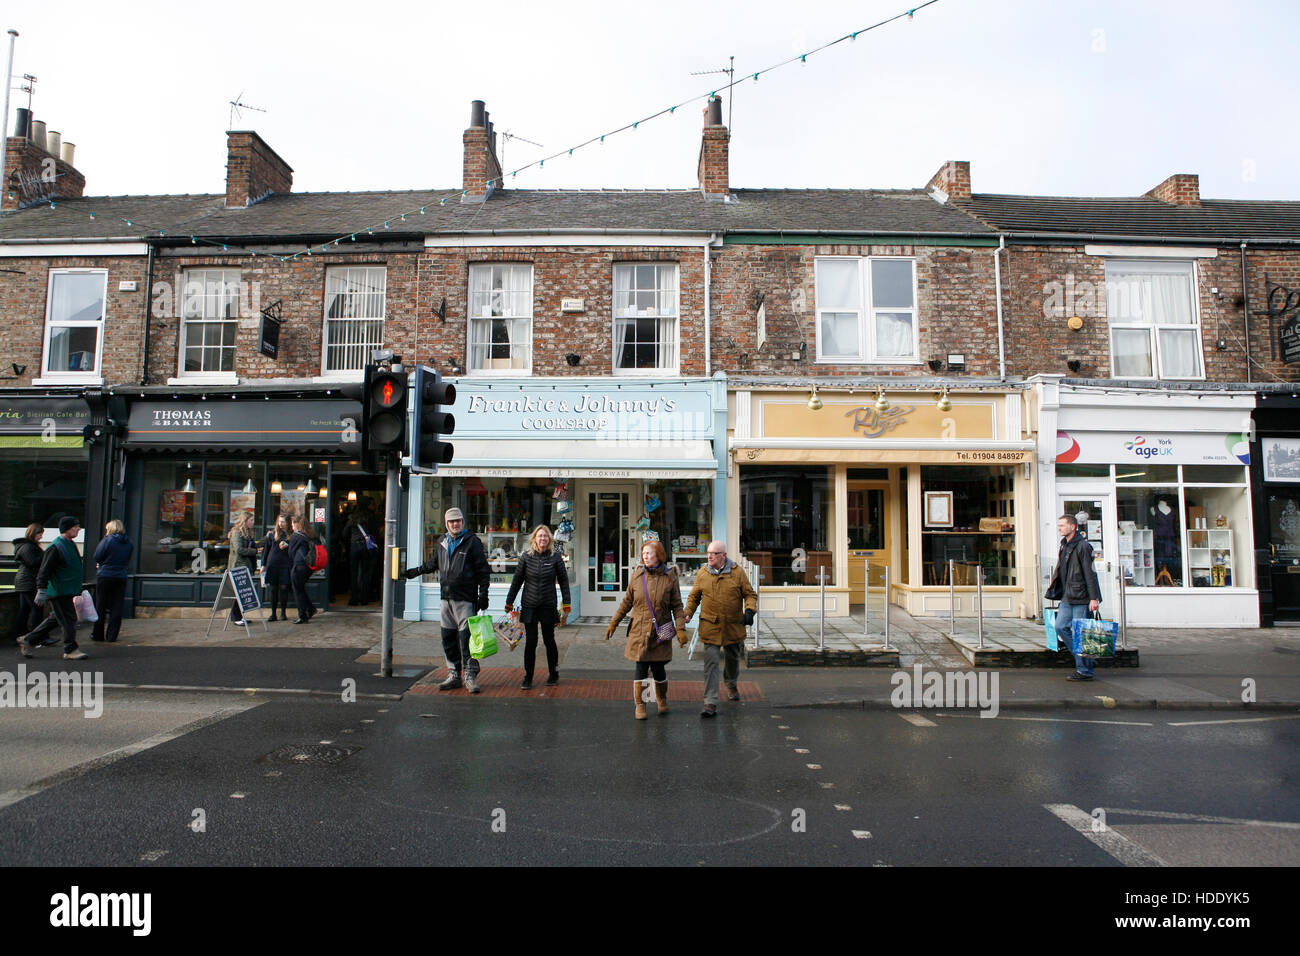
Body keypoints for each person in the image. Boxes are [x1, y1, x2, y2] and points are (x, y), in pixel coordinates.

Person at [403, 507, 490, 693]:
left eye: (458, 520)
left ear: (463, 522)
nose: (455, 524)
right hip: (446, 598)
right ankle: (453, 674)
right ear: (446, 523)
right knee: (448, 638)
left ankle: (470, 674)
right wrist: (414, 572)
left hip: (466, 599)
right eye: (451, 521)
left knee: (467, 640)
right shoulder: (442, 541)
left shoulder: (472, 542)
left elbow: (483, 571)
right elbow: (433, 564)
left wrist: (483, 594)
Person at [604, 539, 686, 720]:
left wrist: (680, 629)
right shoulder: (637, 574)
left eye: (649, 553)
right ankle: (640, 705)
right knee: (640, 667)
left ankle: (661, 699)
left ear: (659, 555)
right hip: (639, 630)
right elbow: (627, 602)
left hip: (660, 631)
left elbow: (677, 605)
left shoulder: (670, 576)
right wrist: (614, 623)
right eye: (644, 553)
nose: (645, 556)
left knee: (658, 668)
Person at [683, 540, 756, 717]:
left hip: (732, 626)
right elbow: (694, 597)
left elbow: (749, 594)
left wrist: (749, 610)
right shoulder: (703, 573)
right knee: (711, 665)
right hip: (710, 626)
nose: (709, 556)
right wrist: (688, 613)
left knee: (732, 661)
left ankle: (731, 684)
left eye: (714, 553)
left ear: (723, 555)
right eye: (708, 553)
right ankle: (710, 702)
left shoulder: (737, 572)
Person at [504, 524, 571, 689]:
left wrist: (567, 603)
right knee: (531, 642)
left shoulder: (555, 557)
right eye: (540, 536)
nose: (543, 538)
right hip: (530, 605)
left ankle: (553, 674)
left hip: (548, 604)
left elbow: (563, 581)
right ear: (534, 538)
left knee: (549, 640)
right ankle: (528, 677)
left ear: (549, 539)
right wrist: (509, 601)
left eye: (545, 536)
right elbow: (517, 580)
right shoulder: (526, 557)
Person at [17, 516, 87, 661]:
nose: (78, 529)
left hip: (66, 588)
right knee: (69, 619)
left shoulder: (69, 544)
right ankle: (70, 649)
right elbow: (44, 570)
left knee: (56, 618)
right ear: (67, 528)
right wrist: (41, 589)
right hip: (59, 590)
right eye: (75, 526)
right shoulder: (56, 547)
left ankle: (28, 640)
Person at [1046, 513, 1102, 681]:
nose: (1059, 528)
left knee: (1079, 633)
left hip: (1081, 597)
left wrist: (1094, 598)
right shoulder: (1064, 545)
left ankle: (1084, 670)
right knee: (1060, 627)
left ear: (1073, 527)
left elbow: (1090, 573)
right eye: (1059, 525)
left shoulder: (1083, 546)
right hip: (1067, 596)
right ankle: (1085, 659)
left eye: (1062, 525)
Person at [91, 519, 134, 643]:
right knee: (117, 606)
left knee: (100, 605)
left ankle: (98, 634)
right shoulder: (129, 542)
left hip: (105, 575)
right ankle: (112, 635)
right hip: (121, 575)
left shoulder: (107, 541)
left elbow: (97, 556)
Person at [11, 523, 45, 638]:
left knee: (24, 610)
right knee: (37, 609)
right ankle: (37, 636)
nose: (41, 537)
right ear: (33, 533)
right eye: (39, 534)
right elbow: (32, 562)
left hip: (24, 581)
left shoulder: (27, 546)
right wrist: (45, 556)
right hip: (28, 581)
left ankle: (19, 634)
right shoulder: (28, 547)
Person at [227, 513, 259, 627]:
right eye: (251, 520)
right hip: (238, 567)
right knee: (238, 593)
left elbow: (251, 546)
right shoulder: (236, 533)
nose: (252, 522)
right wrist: (254, 552)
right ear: (244, 521)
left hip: (246, 567)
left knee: (242, 593)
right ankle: (236, 617)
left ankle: (240, 616)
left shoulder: (247, 533)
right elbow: (239, 549)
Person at [262, 514, 292, 621]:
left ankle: (283, 613)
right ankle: (273, 613)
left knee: (284, 588)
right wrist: (263, 564)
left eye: (283, 522)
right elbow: (266, 550)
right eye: (279, 521)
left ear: (288, 523)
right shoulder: (272, 534)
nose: (281, 524)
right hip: (273, 563)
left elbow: (294, 549)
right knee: (273, 589)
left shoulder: (291, 535)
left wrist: (288, 545)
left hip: (285, 564)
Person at [344, 503, 376, 606]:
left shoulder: (351, 520)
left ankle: (354, 599)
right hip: (365, 547)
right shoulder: (368, 519)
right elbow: (373, 532)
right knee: (365, 573)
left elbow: (344, 533)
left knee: (354, 573)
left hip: (354, 547)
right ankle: (364, 599)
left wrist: (350, 540)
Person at [288, 515, 318, 624]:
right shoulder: (311, 534)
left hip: (299, 566)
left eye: (292, 524)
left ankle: (302, 615)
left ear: (297, 524)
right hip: (309, 566)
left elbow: (291, 554)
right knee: (300, 589)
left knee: (297, 590)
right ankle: (310, 609)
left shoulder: (296, 536)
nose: (291, 526)